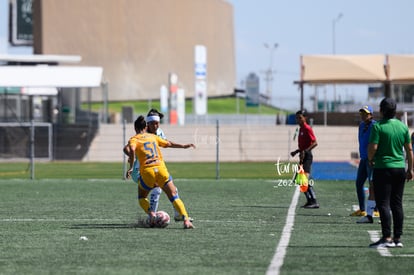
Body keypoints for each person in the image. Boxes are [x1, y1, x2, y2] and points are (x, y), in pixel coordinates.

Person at [125, 115, 196, 229]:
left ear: (135, 128)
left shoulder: (134, 139)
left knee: (142, 197)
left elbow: (132, 149)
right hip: (161, 169)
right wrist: (183, 146)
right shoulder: (153, 137)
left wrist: (131, 167)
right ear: (146, 126)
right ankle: (186, 220)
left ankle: (152, 214)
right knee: (174, 196)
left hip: (148, 172)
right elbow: (168, 144)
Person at [368, 98, 413, 248]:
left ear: (381, 111)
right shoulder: (402, 127)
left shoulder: (378, 127)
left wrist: (370, 159)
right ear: (395, 111)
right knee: (397, 204)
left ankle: (387, 237)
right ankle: (397, 238)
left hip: (383, 168)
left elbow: (373, 148)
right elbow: (409, 151)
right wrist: (411, 169)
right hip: (399, 168)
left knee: (383, 204)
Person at [350, 105, 379, 223]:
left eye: (365, 113)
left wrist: (373, 157)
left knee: (373, 185)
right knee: (359, 183)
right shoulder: (361, 125)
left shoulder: (375, 126)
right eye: (361, 113)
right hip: (363, 159)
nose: (363, 115)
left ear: (371, 115)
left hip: (371, 159)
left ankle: (375, 209)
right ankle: (362, 209)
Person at [290, 110, 319, 208]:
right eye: (297, 118)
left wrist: (305, 151)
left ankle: (314, 201)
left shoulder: (307, 128)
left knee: (304, 179)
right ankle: (309, 201)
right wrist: (296, 151)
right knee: (299, 180)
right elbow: (303, 146)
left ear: (305, 118)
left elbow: (315, 143)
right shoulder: (301, 129)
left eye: (300, 118)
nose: (298, 120)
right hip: (302, 156)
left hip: (307, 156)